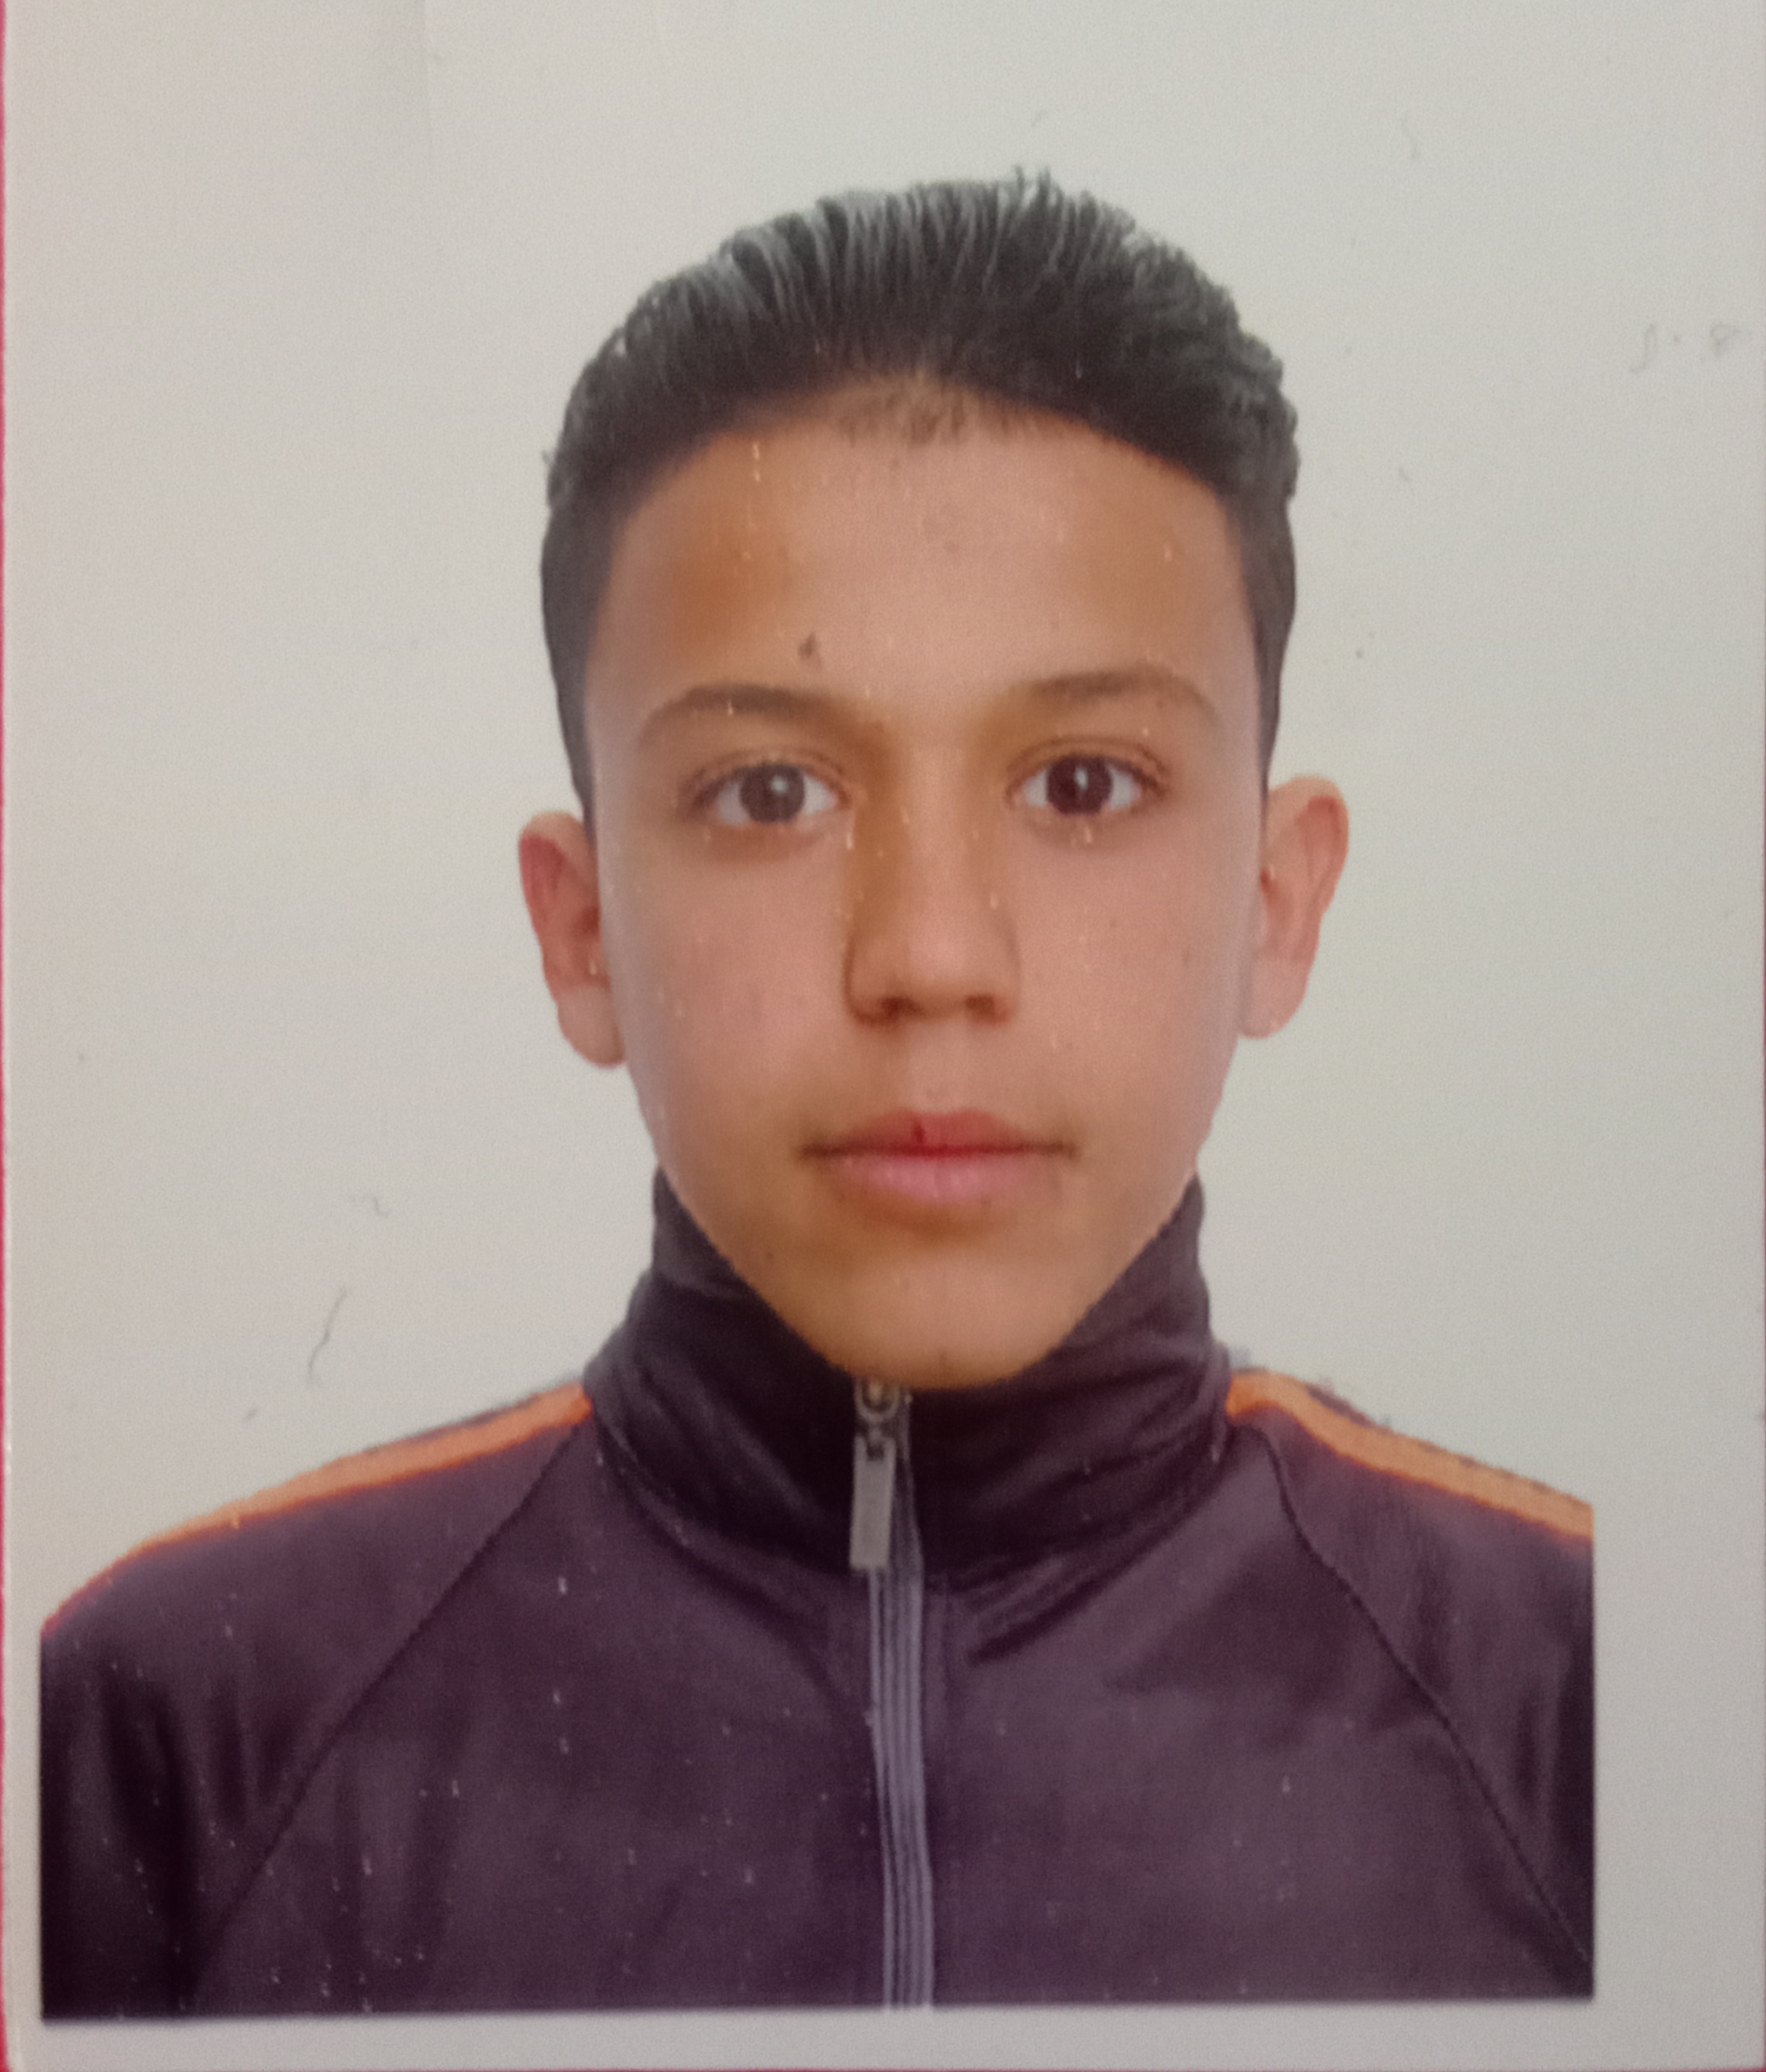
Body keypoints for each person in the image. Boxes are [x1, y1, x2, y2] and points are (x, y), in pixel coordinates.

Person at [40, 177, 1593, 2017]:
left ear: (1277, 900)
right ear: (579, 929)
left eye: (1083, 785)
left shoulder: (1582, 1705)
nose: (929, 955)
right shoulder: (178, 1730)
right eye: (769, 794)